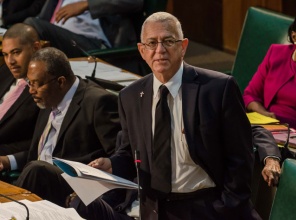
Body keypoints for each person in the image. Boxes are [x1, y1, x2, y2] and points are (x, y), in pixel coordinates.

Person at [72, 12, 261, 219]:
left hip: (206, 207)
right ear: (142, 50)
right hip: (153, 208)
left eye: (168, 41)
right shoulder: (131, 96)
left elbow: (240, 158)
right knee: (78, 206)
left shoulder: (218, 89)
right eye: (152, 43)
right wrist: (111, 164)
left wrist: (225, 208)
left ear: (183, 46)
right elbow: (129, 152)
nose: (160, 50)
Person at [0, 47, 121, 207]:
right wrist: (8, 161)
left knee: (38, 170)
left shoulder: (98, 102)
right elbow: (39, 153)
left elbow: (119, 158)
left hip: (74, 189)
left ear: (61, 82)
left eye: (36, 84)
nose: (31, 90)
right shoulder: (48, 98)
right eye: (29, 82)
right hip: (36, 181)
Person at [243, 9, 296, 132]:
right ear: (294, 37)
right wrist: (265, 114)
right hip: (265, 125)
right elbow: (250, 95)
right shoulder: (276, 54)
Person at [24, 0, 143, 57]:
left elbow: (135, 2)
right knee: (22, 31)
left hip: (92, 44)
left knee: (31, 26)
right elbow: (44, 17)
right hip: (57, 38)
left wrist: (87, 4)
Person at [0, 23, 41, 156]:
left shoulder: (47, 88)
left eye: (16, 52)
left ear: (35, 48)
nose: (10, 61)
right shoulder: (5, 72)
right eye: (5, 54)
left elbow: (39, 141)